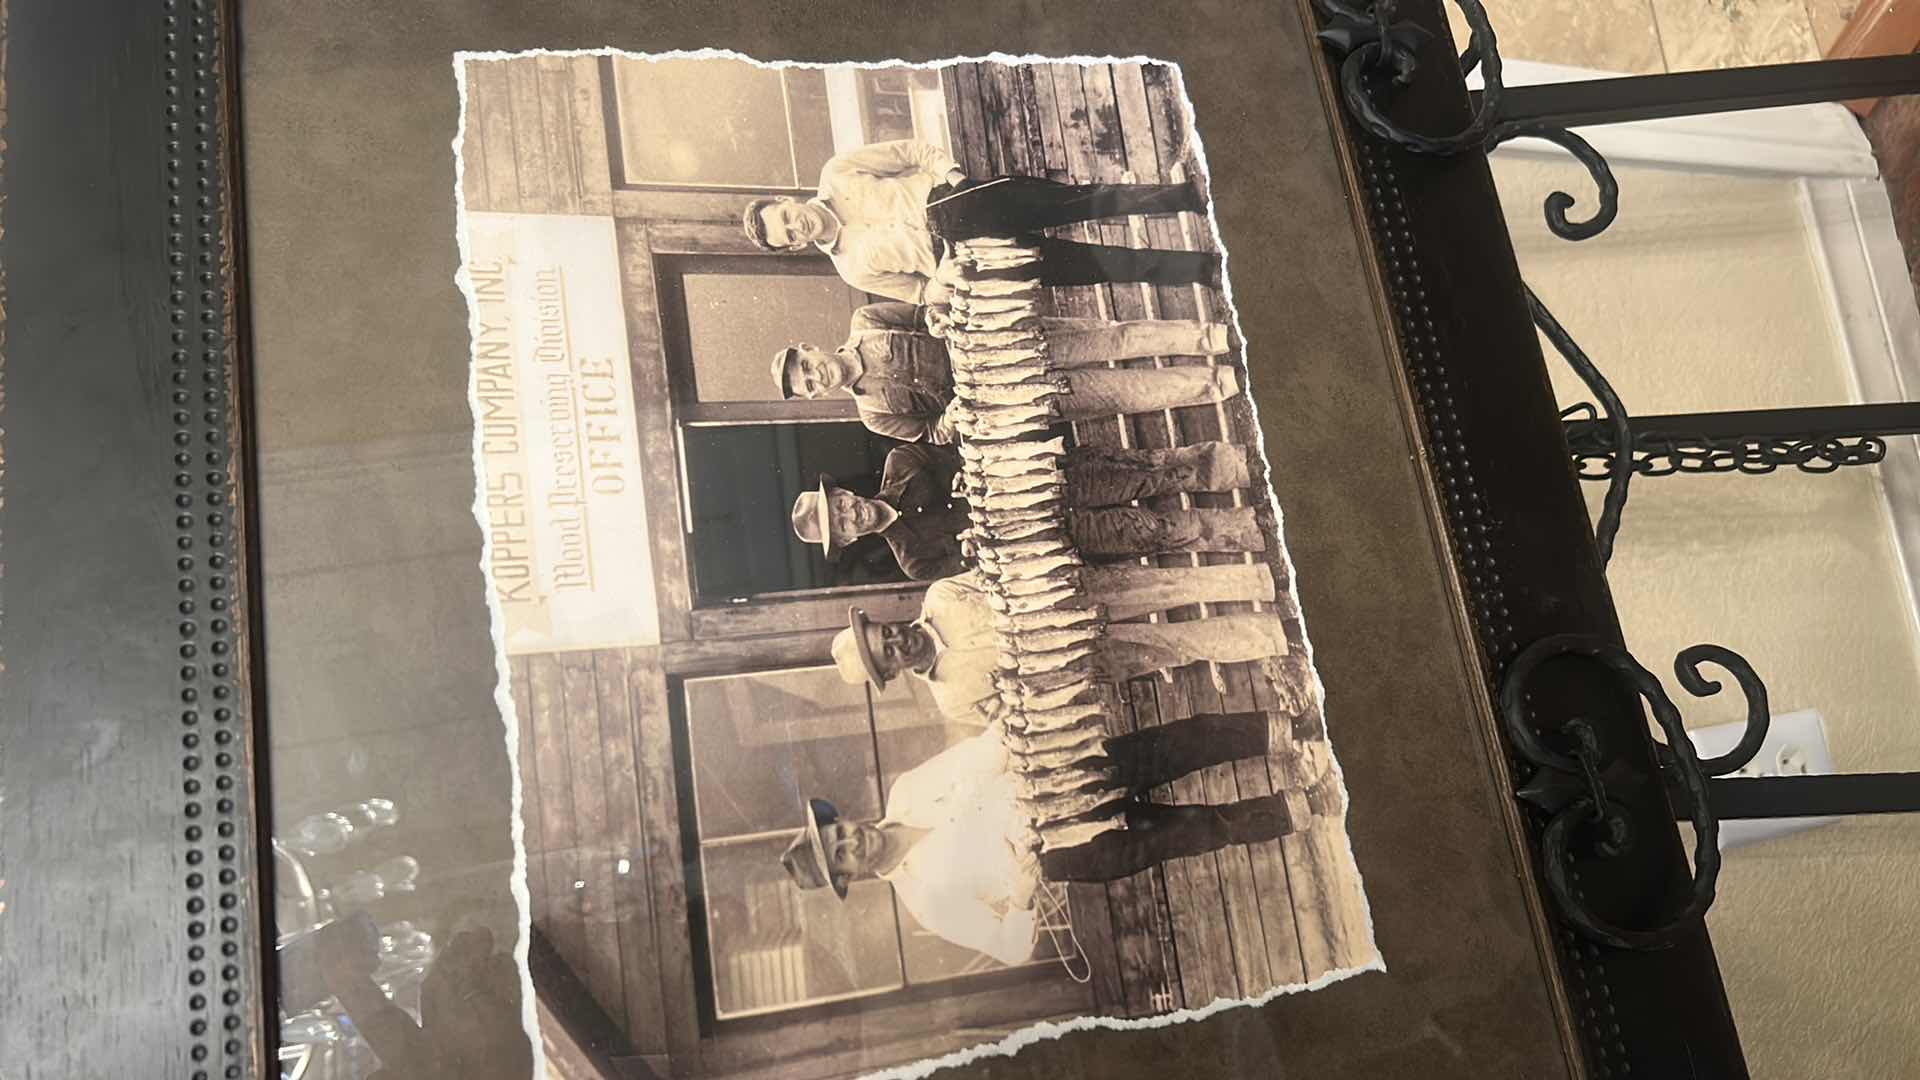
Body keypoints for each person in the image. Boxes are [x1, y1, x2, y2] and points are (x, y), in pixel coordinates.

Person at [777, 713, 1326, 965]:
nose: (853, 840)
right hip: (1072, 850)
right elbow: (1010, 948)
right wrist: (1018, 897)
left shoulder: (907, 791)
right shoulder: (926, 903)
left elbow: (981, 756)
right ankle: (1299, 806)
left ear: (841, 819)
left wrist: (1005, 722)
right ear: (849, 876)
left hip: (1059, 772)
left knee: (1183, 741)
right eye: (843, 854)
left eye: (840, 832)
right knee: (1200, 830)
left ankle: (1289, 729)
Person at [742, 139, 1218, 304]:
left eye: (785, 217)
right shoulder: (850, 269)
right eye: (787, 236)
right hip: (961, 258)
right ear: (791, 249)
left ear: (787, 199)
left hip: (960, 204)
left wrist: (952, 175)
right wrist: (940, 280)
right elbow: (919, 293)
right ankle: (1202, 270)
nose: (795, 226)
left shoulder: (836, 171)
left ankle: (1185, 196)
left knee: (1084, 202)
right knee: (1091, 265)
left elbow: (910, 152)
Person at [829, 571, 1286, 725]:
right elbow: (1014, 713)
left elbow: (998, 572)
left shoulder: (939, 596)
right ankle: (1275, 634)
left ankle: (1264, 580)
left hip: (1072, 597)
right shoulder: (950, 699)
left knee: (1167, 586)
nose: (896, 641)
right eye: (886, 654)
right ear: (891, 674)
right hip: (1077, 659)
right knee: (1176, 646)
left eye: (884, 632)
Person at [772, 301, 1237, 444]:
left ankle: (1212, 339)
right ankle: (1220, 384)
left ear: (810, 348)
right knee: (1121, 394)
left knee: (1114, 338)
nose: (817, 375)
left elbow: (923, 314)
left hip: (1006, 339)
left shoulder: (867, 322)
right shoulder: (873, 414)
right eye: (809, 384)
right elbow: (935, 433)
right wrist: (951, 417)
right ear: (815, 396)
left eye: (807, 366)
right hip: (1010, 394)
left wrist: (936, 319)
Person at [790, 443, 1265, 581]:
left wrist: (968, 472)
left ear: (844, 494)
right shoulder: (914, 562)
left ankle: (1242, 465)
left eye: (842, 507)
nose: (851, 515)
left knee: (1153, 470)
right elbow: (987, 569)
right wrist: (978, 550)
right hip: (1055, 531)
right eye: (843, 526)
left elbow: (969, 447)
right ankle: (1249, 528)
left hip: (1052, 478)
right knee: (1157, 532)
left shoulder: (901, 462)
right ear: (849, 541)